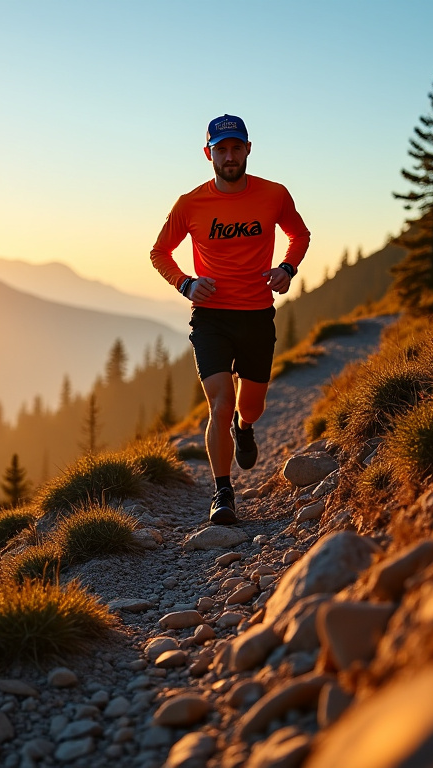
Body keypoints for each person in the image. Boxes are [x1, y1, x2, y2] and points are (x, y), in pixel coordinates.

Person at [149, 114, 310, 525]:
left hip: (256, 314)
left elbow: (300, 234)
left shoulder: (274, 195)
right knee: (219, 403)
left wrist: (287, 269)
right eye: (221, 149)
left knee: (249, 405)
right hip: (211, 317)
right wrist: (185, 284)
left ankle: (246, 425)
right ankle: (223, 493)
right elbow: (159, 252)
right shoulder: (190, 204)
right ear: (209, 154)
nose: (229, 155)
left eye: (236, 147)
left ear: (248, 150)